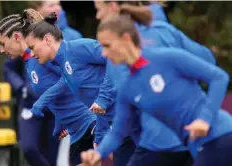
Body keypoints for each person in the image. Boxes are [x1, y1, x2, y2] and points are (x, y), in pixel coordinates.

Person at [81, 14, 232, 166]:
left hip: (220, 134)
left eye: (107, 45)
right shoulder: (128, 88)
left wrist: (204, 119)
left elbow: (219, 77)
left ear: (126, 39)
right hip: (198, 146)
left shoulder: (166, 57)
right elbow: (118, 132)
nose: (103, 53)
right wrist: (97, 154)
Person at [24, 12, 144, 166]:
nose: (32, 54)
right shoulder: (63, 66)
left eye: (33, 47)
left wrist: (104, 98)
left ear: (47, 39)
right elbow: (96, 104)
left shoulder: (77, 48)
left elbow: (115, 57)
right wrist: (99, 135)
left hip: (137, 118)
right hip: (122, 128)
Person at [0, 9, 95, 166]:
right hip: (74, 129)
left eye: (2, 44)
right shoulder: (30, 61)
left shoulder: (43, 56)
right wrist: (61, 120)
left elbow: (71, 76)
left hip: (88, 123)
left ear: (15, 37)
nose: (1, 50)